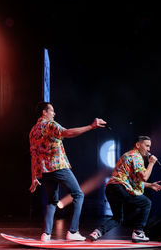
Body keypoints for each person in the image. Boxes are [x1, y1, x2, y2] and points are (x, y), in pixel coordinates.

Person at [29, 101, 107, 242]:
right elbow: (68, 132)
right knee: (78, 195)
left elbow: (34, 155)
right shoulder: (50, 124)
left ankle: (46, 235)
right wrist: (91, 126)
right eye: (52, 110)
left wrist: (34, 177)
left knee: (52, 202)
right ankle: (73, 231)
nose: (54, 113)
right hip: (58, 166)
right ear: (44, 112)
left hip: (44, 171)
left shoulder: (33, 131)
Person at [89, 135, 161, 243]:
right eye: (147, 146)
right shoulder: (136, 156)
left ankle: (97, 232)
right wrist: (151, 163)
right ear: (138, 145)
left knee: (117, 218)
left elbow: (132, 180)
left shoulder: (128, 155)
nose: (149, 149)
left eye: (150, 147)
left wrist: (150, 185)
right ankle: (138, 232)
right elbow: (144, 176)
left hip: (111, 188)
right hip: (120, 187)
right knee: (146, 203)